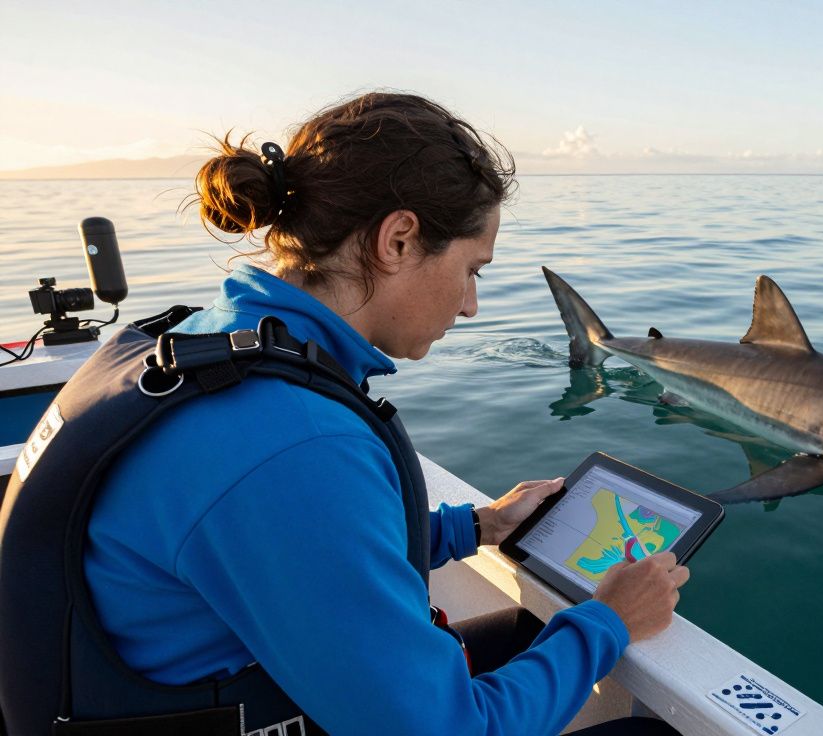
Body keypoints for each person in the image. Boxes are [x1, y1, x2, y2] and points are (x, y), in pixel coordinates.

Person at [0, 92, 688, 735]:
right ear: (398, 240)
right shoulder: (291, 443)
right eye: (472, 270)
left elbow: (296, 545)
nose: (471, 305)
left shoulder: (196, 346)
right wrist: (610, 619)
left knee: (526, 636)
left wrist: (476, 526)